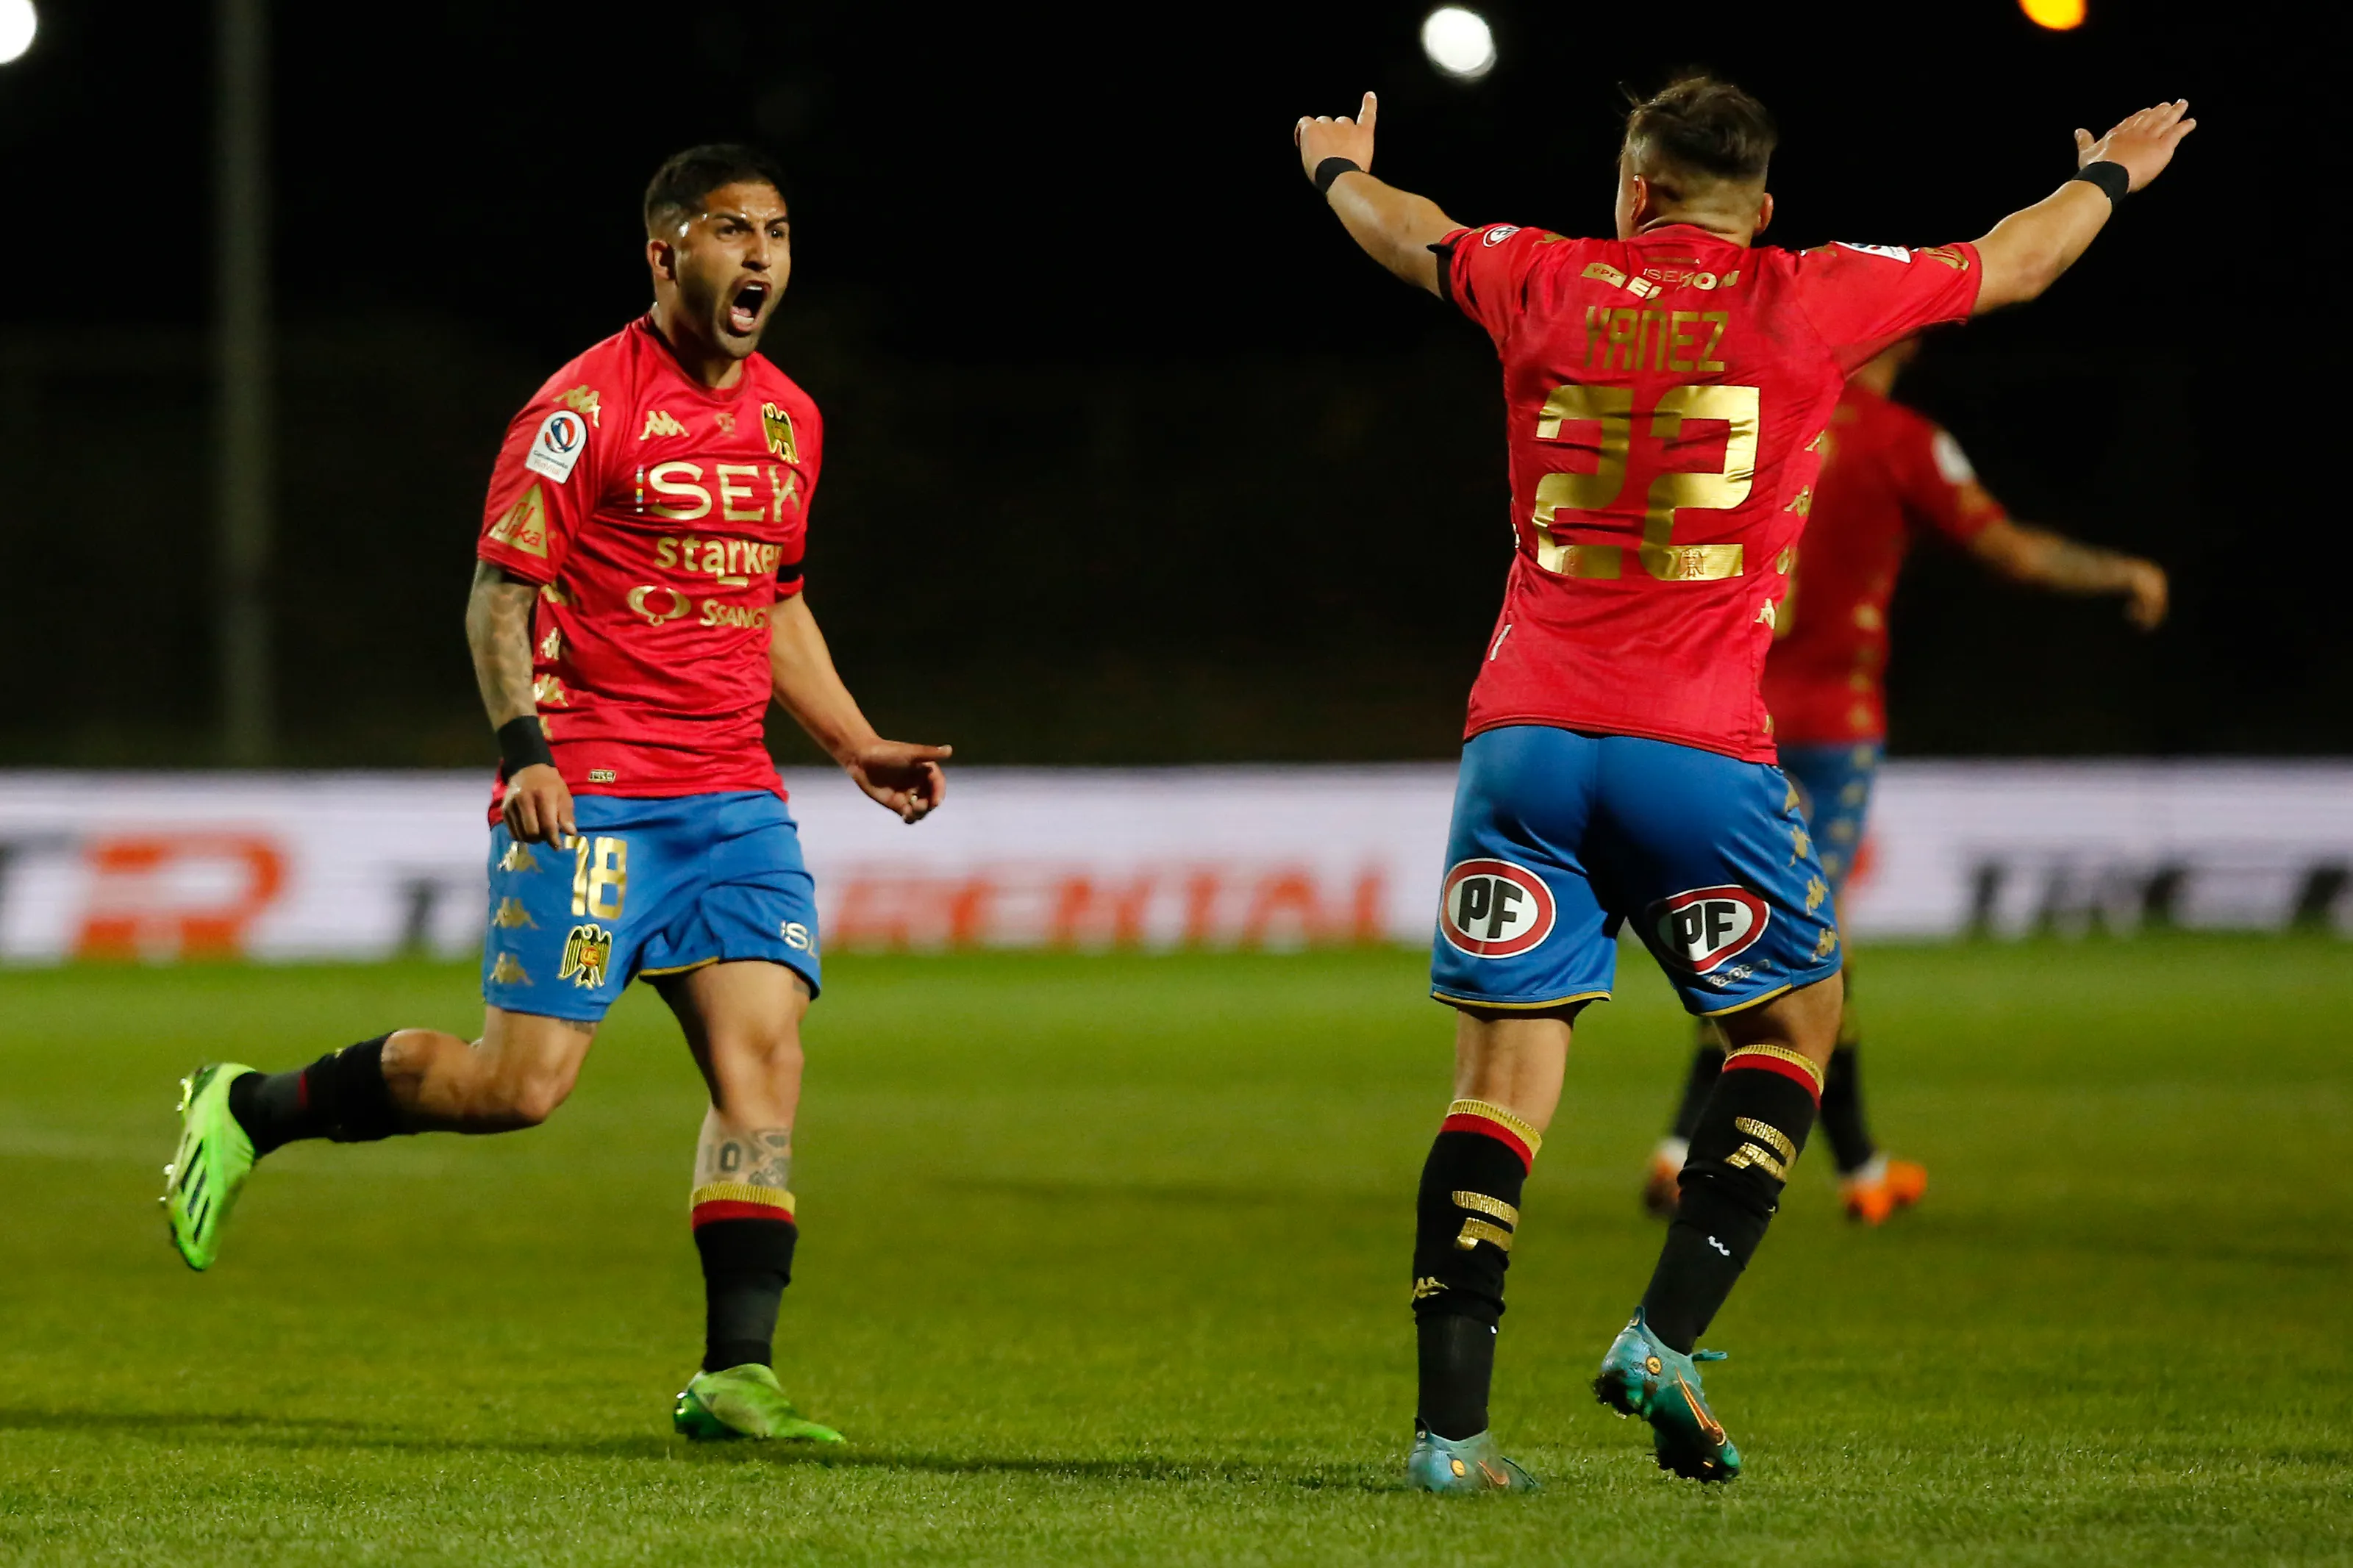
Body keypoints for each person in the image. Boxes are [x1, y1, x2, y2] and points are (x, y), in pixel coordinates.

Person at [1292, 79, 2193, 1487]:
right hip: (1696, 746)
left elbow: (1406, 229)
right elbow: (2015, 259)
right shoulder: (1808, 294)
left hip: (1520, 737)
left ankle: (1451, 1435)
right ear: (1759, 209)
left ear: (1634, 190)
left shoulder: (1540, 277)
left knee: (1499, 1081)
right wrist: (2115, 180)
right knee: (1797, 1019)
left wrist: (1337, 169)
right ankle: (1663, 1335)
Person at [161, 145, 951, 1445]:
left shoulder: (789, 419)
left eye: (780, 232)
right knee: (516, 1088)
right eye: (730, 230)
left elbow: (777, 599)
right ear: (666, 254)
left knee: (766, 1063)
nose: (761, 255)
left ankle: (734, 1372)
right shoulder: (585, 407)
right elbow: (497, 595)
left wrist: (854, 740)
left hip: (734, 800)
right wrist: (525, 745)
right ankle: (249, 1104)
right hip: (595, 796)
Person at [1643, 336, 2171, 1225]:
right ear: (1909, 342)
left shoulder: (1756, 421)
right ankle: (1802, 1165)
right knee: (1809, 950)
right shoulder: (1899, 440)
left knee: (1769, 935)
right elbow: (2009, 551)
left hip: (1728, 712)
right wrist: (2120, 570)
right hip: (1831, 729)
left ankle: (1817, 1162)